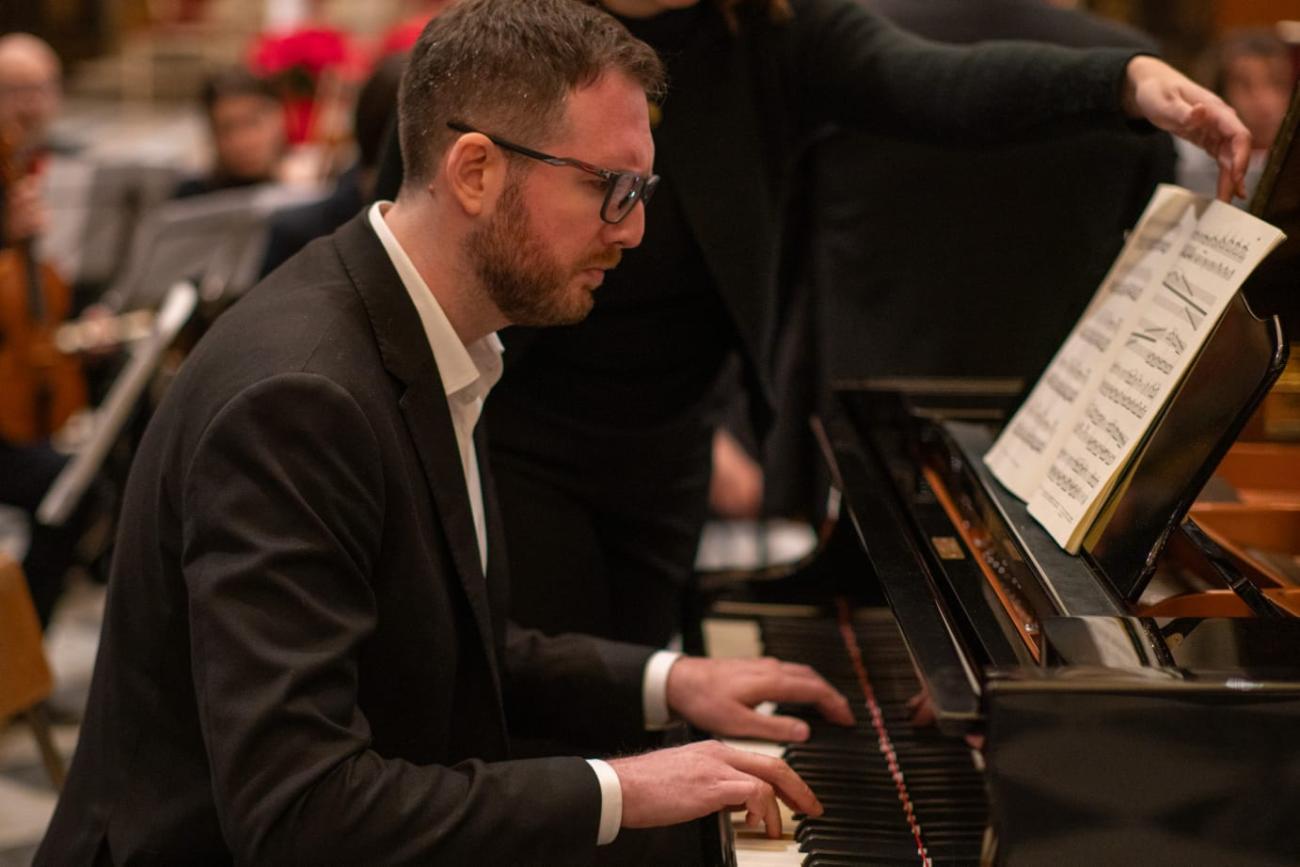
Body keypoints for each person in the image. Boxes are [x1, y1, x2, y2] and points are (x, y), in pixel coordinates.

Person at [35, 2, 854, 864]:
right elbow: (297, 812)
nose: (635, 229)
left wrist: (671, 679)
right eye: (610, 188)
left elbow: (446, 638)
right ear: (475, 171)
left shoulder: (421, 333)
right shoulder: (300, 402)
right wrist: (625, 786)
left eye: (641, 191)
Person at [368, 0, 1252, 649]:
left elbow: (937, 85)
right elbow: (407, 213)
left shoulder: (772, 29)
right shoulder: (519, 34)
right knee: (547, 708)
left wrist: (1125, 82)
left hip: (666, 441)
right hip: (511, 428)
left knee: (633, 703)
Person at [0, 32, 85, 627]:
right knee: (69, 488)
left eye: (41, 89)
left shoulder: (62, 168)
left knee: (81, 484)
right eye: (14, 91)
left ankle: (21, 643)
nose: (30, 104)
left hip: (31, 380)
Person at [1178, 28, 1295, 203]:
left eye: (1277, 83)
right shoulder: (1185, 160)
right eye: (1245, 85)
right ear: (1219, 92)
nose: (1264, 101)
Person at [173, 67, 289, 199]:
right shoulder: (194, 197)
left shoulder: (305, 187)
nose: (242, 141)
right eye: (227, 128)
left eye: (252, 123)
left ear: (279, 118)